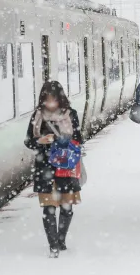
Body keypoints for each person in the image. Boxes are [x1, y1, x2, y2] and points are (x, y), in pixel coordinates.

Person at [25, 81, 82, 258]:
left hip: (65, 167)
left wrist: (64, 142)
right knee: (49, 208)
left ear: (61, 99)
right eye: (47, 100)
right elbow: (28, 140)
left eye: (54, 100)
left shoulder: (71, 115)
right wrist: (41, 141)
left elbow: (79, 139)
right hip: (45, 168)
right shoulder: (37, 116)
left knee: (67, 207)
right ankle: (53, 245)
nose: (50, 104)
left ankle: (61, 239)